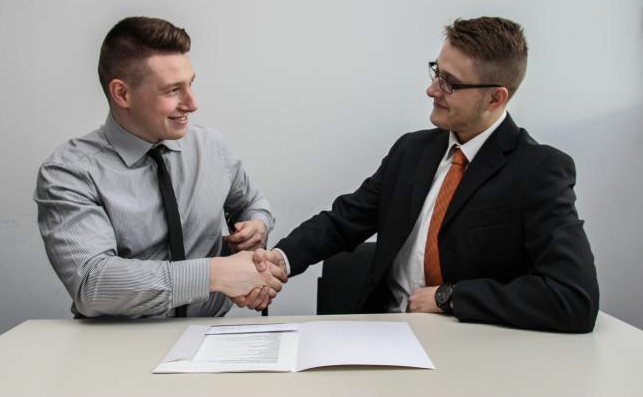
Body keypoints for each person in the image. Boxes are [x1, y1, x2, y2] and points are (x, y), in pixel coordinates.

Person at [255, 17, 599, 332]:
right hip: (383, 336)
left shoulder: (539, 170)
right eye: (437, 72)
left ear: (495, 98)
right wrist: (279, 261)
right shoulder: (411, 151)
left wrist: (448, 297)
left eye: (450, 84)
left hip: (472, 349)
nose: (432, 90)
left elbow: (573, 297)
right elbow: (343, 221)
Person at [34, 16, 285, 318]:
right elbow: (93, 284)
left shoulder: (213, 147)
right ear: (122, 94)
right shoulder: (69, 172)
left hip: (210, 334)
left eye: (190, 84)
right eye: (172, 90)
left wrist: (256, 226)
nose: (192, 104)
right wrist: (214, 274)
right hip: (116, 345)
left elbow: (252, 203)